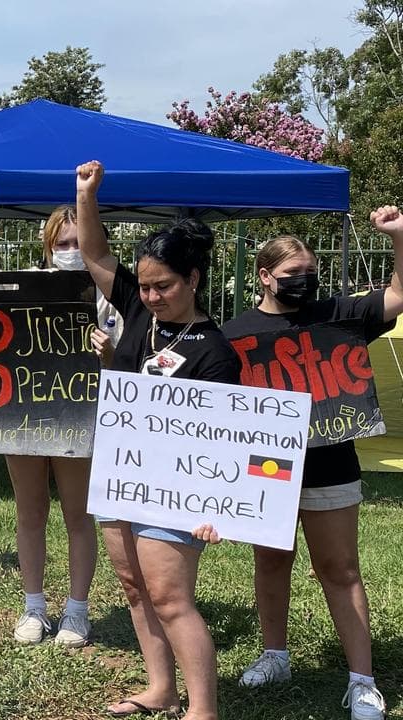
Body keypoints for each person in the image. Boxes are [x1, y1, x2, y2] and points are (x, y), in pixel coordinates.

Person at [219, 211, 403, 720]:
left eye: (311, 275)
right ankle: (275, 655)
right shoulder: (234, 334)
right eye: (292, 276)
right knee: (271, 560)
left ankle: (362, 680)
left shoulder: (339, 315)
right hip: (265, 471)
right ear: (263, 276)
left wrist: (397, 237)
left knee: (340, 569)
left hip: (331, 466)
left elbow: (399, 294)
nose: (304, 284)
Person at [75, 160, 239, 720]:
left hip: (177, 490)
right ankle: (159, 688)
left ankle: (203, 711)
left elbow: (223, 440)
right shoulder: (137, 313)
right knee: (133, 586)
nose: (149, 296)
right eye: (143, 286)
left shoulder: (214, 351)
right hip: (119, 472)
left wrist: (212, 506)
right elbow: (96, 256)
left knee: (171, 598)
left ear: (192, 279)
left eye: (162, 285)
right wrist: (86, 196)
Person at [0, 181, 116, 646]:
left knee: (78, 515)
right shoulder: (28, 281)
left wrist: (108, 355)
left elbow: (127, 361)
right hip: (23, 414)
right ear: (47, 246)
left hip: (81, 415)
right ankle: (33, 608)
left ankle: (77, 611)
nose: (69, 250)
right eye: (61, 243)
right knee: (30, 512)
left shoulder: (109, 292)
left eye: (77, 242)